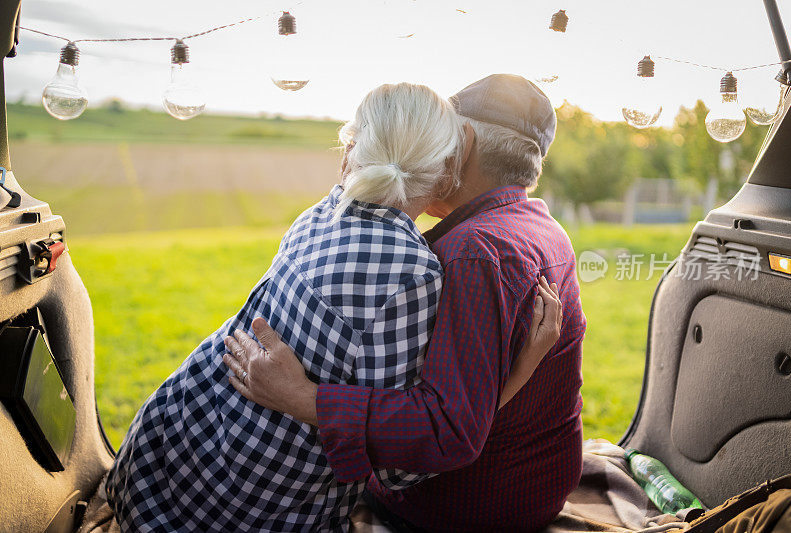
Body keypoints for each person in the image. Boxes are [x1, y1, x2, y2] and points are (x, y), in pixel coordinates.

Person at [106, 82, 561, 532]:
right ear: (447, 171)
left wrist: (309, 399)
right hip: (243, 507)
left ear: (349, 155)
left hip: (162, 449)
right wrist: (518, 372)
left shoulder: (321, 212)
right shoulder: (416, 274)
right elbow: (399, 469)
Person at [223, 74, 586, 531]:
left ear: (463, 141)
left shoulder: (473, 253)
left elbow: (448, 427)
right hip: (538, 485)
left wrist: (305, 398)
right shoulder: (541, 225)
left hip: (468, 504)